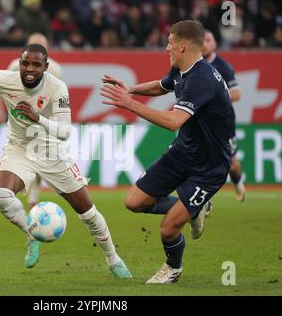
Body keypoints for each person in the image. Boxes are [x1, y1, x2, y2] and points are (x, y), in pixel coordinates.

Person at [0, 44, 132, 278]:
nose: (29, 69)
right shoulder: (6, 80)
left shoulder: (57, 88)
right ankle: (31, 233)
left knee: (88, 213)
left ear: (45, 67)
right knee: (0, 195)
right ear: (19, 64)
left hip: (52, 153)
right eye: (25, 63)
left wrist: (37, 118)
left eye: (36, 65)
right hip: (19, 149)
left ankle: (113, 259)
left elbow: (65, 132)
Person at [100, 20, 233, 284]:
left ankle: (173, 268)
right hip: (183, 152)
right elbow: (163, 86)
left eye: (170, 43)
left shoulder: (202, 78)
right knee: (134, 202)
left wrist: (130, 105)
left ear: (182, 46)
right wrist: (131, 90)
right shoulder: (181, 69)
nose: (166, 48)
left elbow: (173, 121)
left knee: (168, 228)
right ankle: (195, 208)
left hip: (209, 166)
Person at [0, 32, 63, 210]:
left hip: (41, 121)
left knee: (39, 157)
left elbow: (57, 95)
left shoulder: (55, 69)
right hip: (19, 120)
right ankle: (24, 196)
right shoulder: (13, 66)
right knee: (23, 155)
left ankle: (32, 199)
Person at [202, 30, 246, 204]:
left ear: (214, 44)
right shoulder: (191, 65)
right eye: (201, 40)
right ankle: (199, 199)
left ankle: (238, 182)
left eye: (208, 40)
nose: (204, 43)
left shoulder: (223, 67)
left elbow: (236, 94)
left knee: (231, 165)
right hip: (202, 122)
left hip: (223, 124)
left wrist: (211, 99)